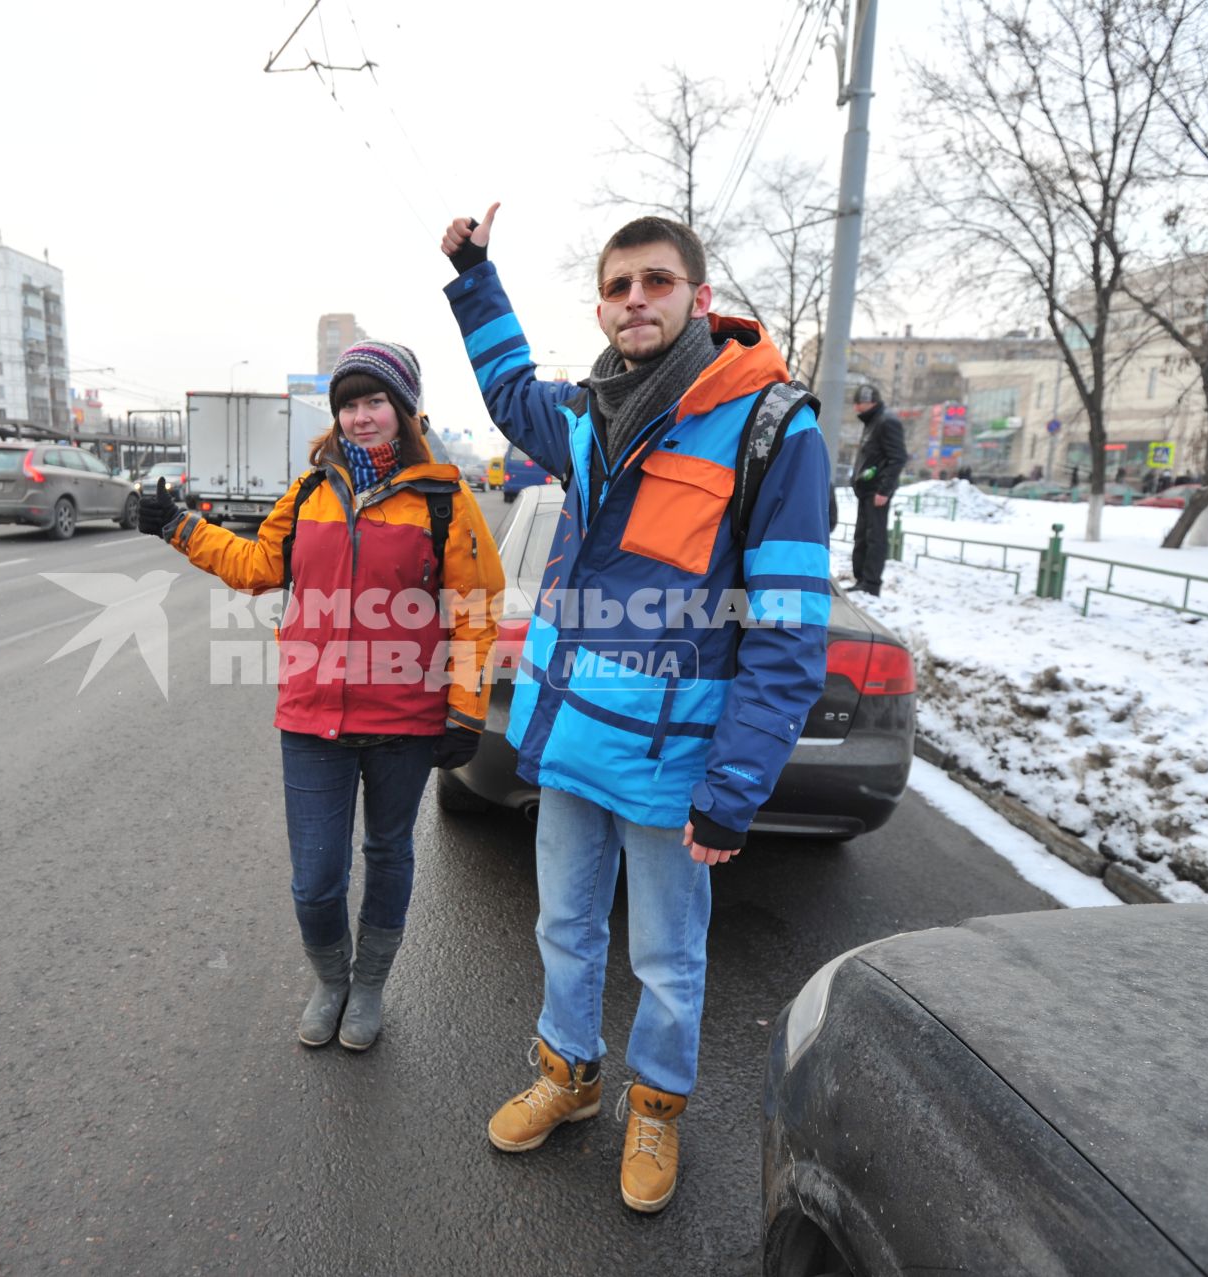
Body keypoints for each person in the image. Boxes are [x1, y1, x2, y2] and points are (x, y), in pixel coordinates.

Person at [438, 206, 831, 1214]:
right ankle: (568, 1076)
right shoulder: (585, 414)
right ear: (604, 307)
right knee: (564, 929)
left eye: (656, 281)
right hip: (572, 742)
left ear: (700, 298)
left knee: (665, 953)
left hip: (673, 762)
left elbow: (789, 633)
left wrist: (734, 788)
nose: (635, 300)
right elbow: (507, 391)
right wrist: (477, 276)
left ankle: (656, 1106)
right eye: (618, 287)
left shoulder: (769, 429)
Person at [136, 341, 503, 1053]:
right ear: (335, 415)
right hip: (311, 717)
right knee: (315, 878)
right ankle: (331, 979)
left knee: (389, 851)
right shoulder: (310, 492)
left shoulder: (443, 498)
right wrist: (182, 526)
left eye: (375, 403)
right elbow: (256, 564)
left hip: (404, 719)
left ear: (404, 410)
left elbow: (477, 609)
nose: (361, 417)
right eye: (349, 404)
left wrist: (466, 707)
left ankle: (369, 986)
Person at [848, 383, 906, 596]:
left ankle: (871, 584)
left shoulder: (886, 422)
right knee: (862, 535)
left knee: (874, 537)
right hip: (866, 490)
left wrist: (884, 490)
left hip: (877, 492)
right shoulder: (873, 421)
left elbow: (898, 458)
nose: (856, 408)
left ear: (869, 402)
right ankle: (861, 579)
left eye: (858, 404)